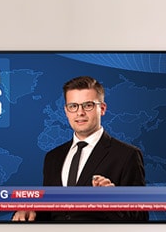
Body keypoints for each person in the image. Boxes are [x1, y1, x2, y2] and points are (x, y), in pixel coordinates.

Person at [12, 76, 149, 222]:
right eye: (73, 106)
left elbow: (140, 218)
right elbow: (51, 213)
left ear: (102, 109)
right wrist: (30, 208)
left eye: (88, 105)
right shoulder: (53, 157)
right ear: (66, 111)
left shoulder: (127, 155)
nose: (80, 112)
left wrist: (111, 200)